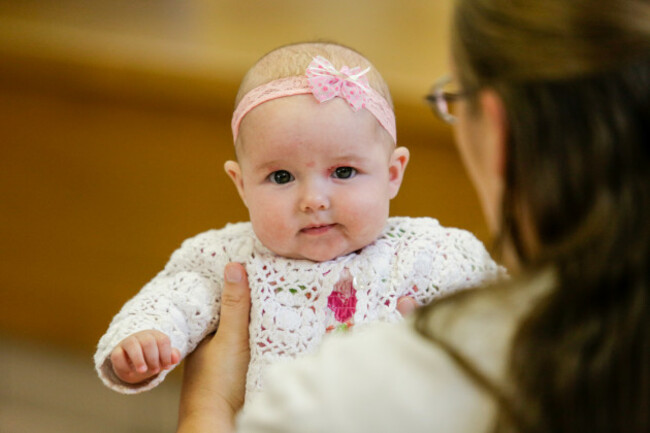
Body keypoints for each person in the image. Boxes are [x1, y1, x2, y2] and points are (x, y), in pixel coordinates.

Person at [175, 0, 650, 432]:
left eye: (453, 101)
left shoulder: (331, 401)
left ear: (500, 132)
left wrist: (207, 405)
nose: (314, 200)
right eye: (282, 177)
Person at [94, 42, 503, 398]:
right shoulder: (229, 260)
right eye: (281, 177)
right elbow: (171, 301)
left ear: (392, 174)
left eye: (343, 172)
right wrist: (142, 340)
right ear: (241, 185)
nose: (313, 200)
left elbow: (516, 321)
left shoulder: (435, 254)